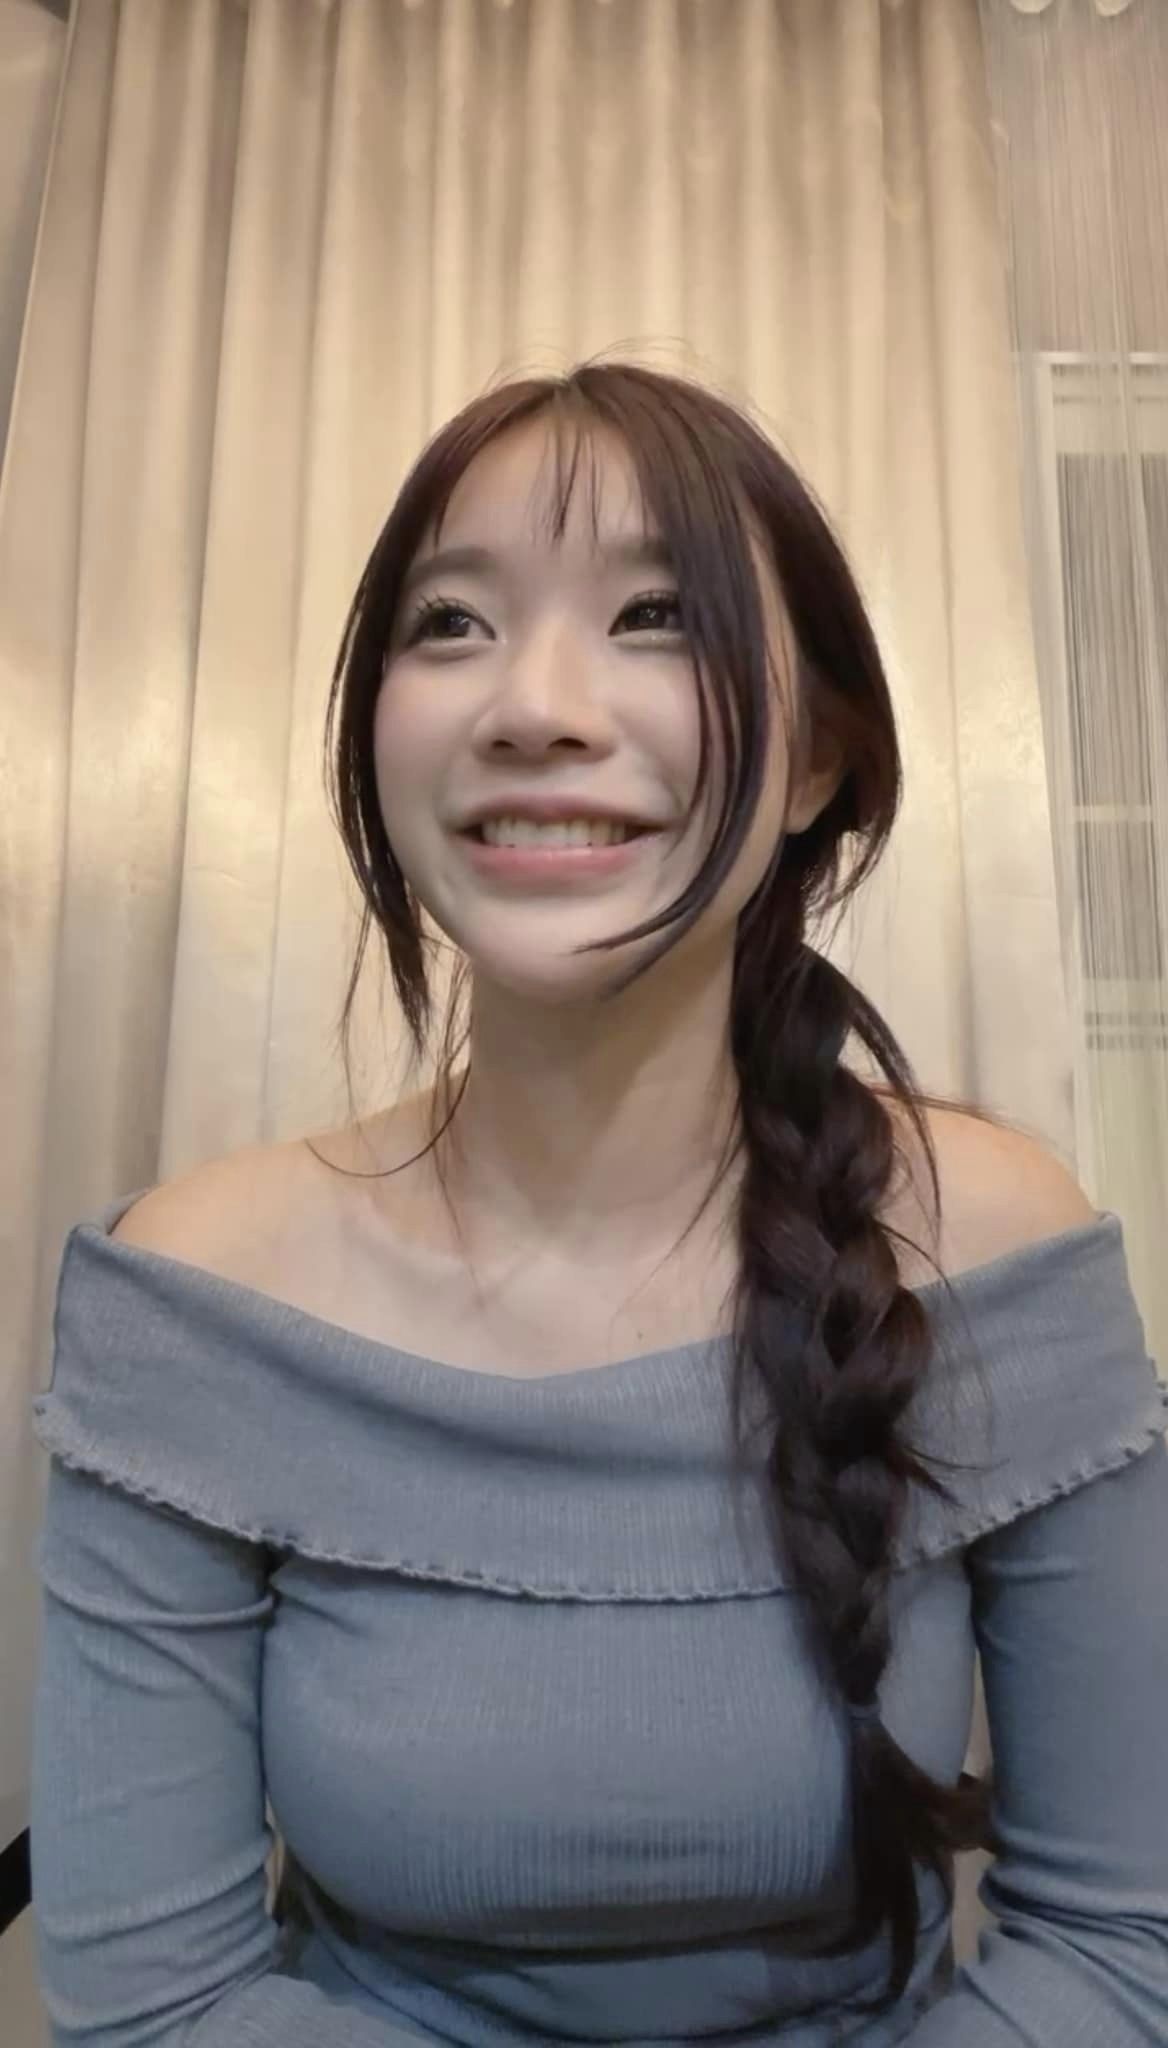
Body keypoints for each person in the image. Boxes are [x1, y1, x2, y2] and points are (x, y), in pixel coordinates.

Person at [30, 362, 1168, 2047]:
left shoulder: (1001, 1251)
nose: (535, 706)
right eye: (451, 624)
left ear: (818, 759)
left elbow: (1123, 1941)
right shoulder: (194, 1295)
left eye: (655, 617)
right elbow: (156, 2002)